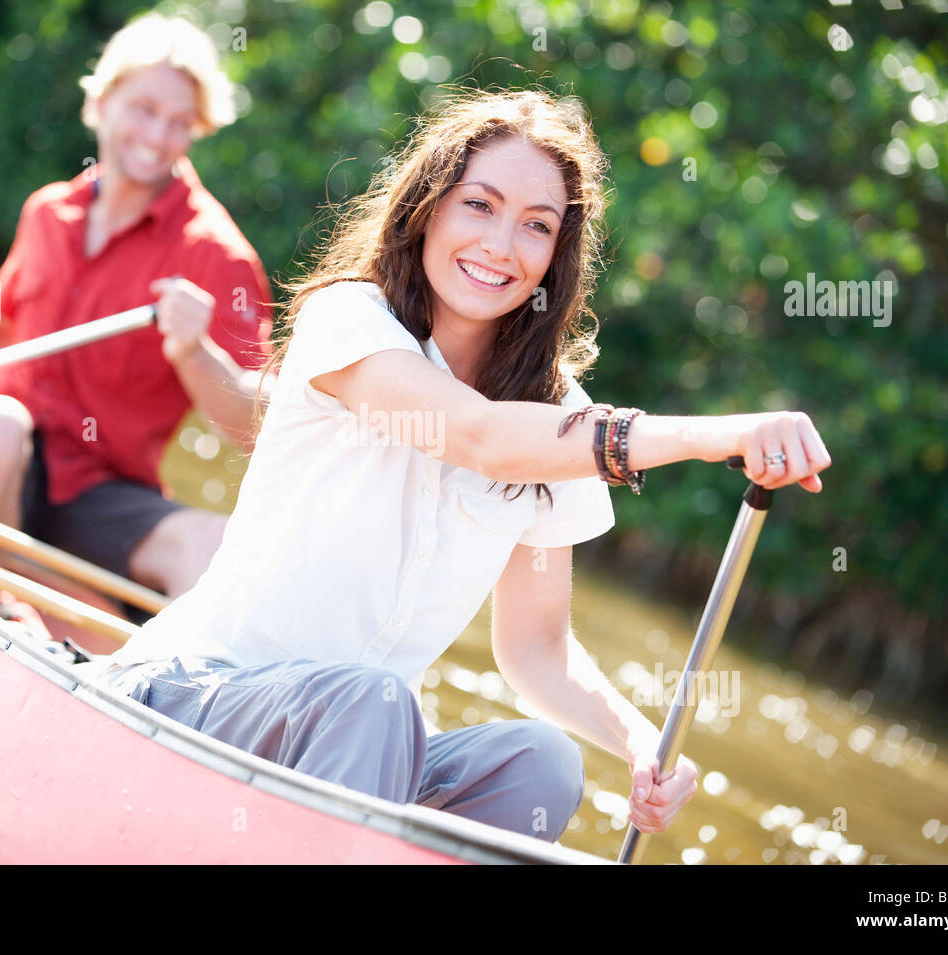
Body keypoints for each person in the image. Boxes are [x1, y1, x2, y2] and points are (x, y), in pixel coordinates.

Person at [98, 87, 832, 846]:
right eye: (478, 205)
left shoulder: (553, 416)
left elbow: (537, 648)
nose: (501, 246)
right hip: (194, 698)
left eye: (536, 226)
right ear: (428, 207)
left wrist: (641, 744)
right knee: (375, 703)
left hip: (363, 752)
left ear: (557, 254)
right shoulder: (348, 321)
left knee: (542, 762)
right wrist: (712, 436)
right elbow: (476, 435)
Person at [0, 12, 273, 603]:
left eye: (180, 123)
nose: (159, 136)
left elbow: (255, 425)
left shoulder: (217, 256)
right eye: (144, 109)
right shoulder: (48, 211)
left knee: (214, 550)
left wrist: (195, 354)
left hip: (97, 491)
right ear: (99, 102)